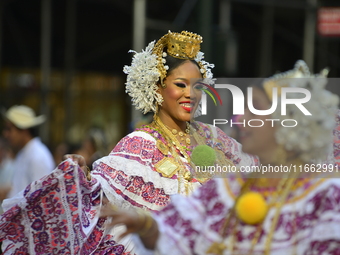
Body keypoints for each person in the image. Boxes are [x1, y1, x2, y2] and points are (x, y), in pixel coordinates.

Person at [0, 31, 256, 254]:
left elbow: (255, 173)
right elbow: (101, 199)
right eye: (180, 85)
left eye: (198, 86)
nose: (191, 94)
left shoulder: (214, 138)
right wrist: (80, 175)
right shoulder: (140, 144)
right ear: (157, 88)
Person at [99, 60, 340, 254]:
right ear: (157, 89)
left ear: (284, 124)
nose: (239, 120)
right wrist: (146, 226)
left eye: (254, 109)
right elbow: (184, 234)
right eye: (181, 84)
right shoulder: (225, 191)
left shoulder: (324, 195)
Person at [1, 105, 55, 199]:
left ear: (23, 130)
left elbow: (40, 198)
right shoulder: (25, 153)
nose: (6, 134)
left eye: (9, 129)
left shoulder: (38, 156)